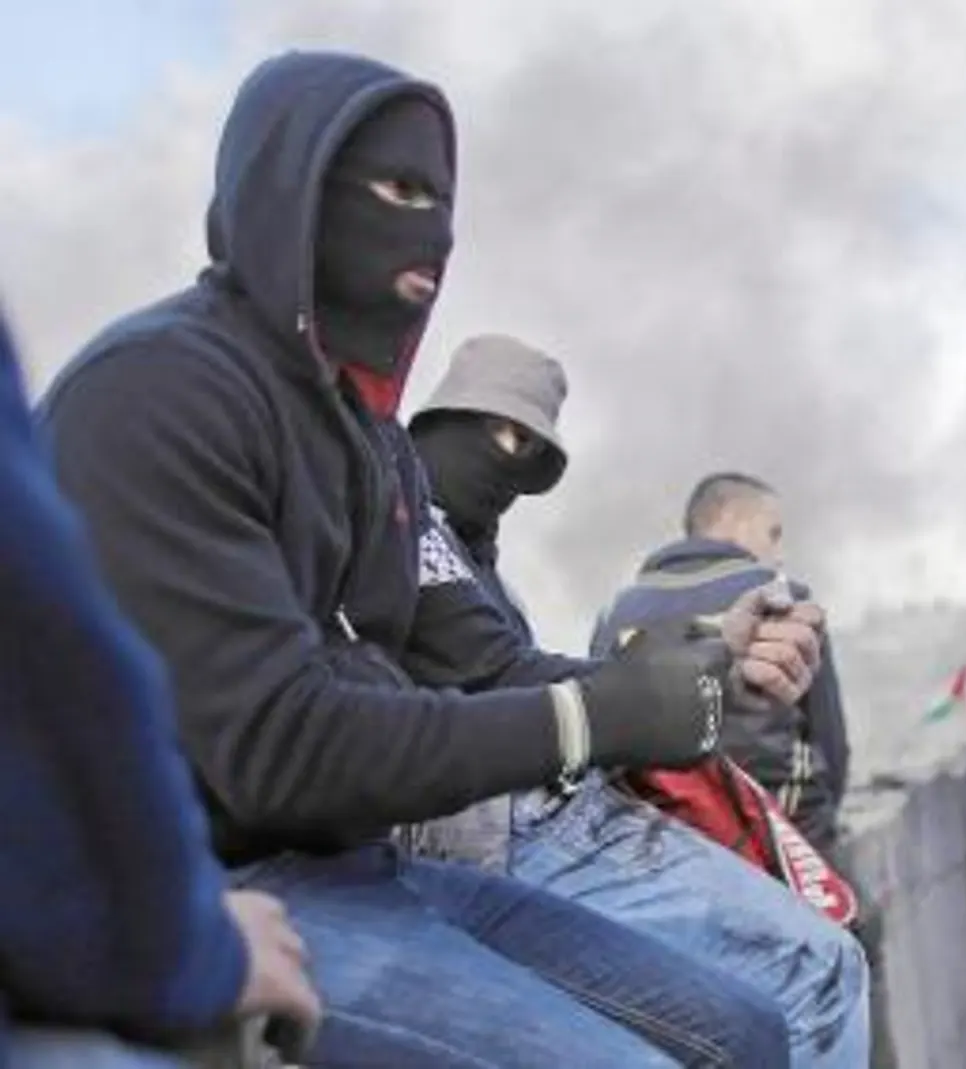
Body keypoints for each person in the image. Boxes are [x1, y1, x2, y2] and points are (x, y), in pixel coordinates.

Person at [38, 49, 822, 1068]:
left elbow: (487, 670)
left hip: (363, 869)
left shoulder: (371, 445)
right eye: (397, 191)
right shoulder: (162, 391)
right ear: (290, 191)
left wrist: (705, 669)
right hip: (199, 894)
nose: (433, 236)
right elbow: (280, 749)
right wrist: (602, 716)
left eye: (444, 204)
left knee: (746, 1032)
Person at [409, 345, 873, 1065]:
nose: (506, 463)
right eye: (495, 432)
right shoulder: (399, 521)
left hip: (574, 814)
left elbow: (561, 674)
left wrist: (714, 650)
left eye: (527, 447)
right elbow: (500, 673)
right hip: (497, 832)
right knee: (821, 971)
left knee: (766, 1012)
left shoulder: (528, 580)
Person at [0, 306, 321, 1066]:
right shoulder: (154, 382)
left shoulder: (384, 467)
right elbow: (44, 675)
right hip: (229, 877)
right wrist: (188, 947)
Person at [592, 471, 852, 858]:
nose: (779, 553)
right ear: (731, 519)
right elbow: (830, 740)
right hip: (787, 845)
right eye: (773, 533)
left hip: (666, 851)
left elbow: (602, 738)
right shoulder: (781, 598)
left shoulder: (615, 614)